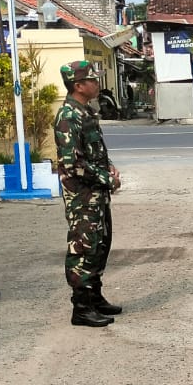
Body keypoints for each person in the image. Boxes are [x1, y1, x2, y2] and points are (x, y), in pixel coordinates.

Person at [53, 59, 124, 328]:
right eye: (92, 80)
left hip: (96, 192)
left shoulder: (85, 112)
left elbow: (94, 153)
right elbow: (71, 164)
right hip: (82, 195)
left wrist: (109, 169)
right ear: (78, 85)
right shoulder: (69, 116)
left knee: (100, 244)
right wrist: (107, 178)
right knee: (83, 247)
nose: (97, 84)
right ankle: (81, 307)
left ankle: (94, 296)